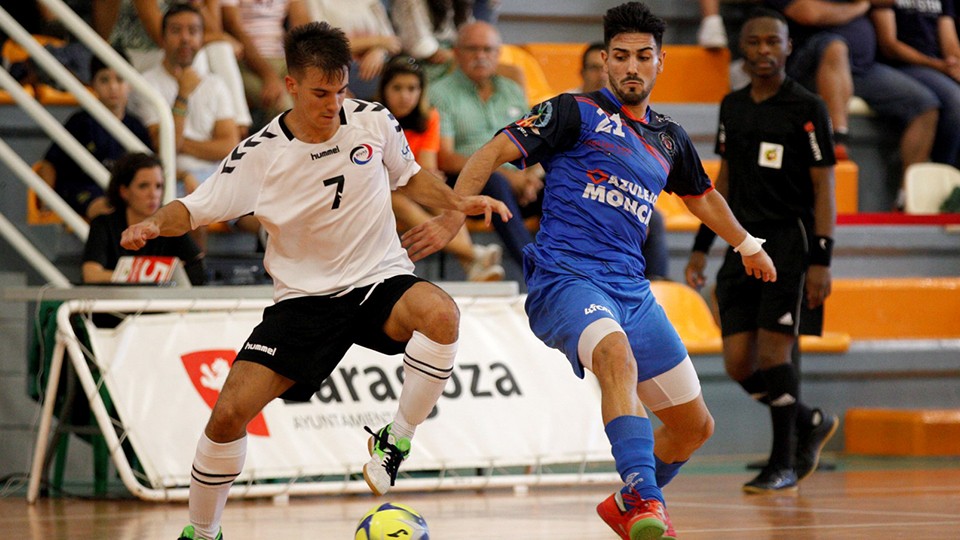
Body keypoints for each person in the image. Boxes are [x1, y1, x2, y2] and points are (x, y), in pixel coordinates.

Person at [118, 21, 510, 540]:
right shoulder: (260, 153)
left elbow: (411, 177)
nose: (333, 103)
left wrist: (456, 204)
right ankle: (202, 531)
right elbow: (191, 209)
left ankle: (396, 438)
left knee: (442, 315)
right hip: (304, 300)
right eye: (321, 93)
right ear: (293, 85)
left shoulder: (372, 121)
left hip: (377, 279)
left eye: (342, 90)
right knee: (228, 414)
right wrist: (152, 225)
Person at [405, 3, 777, 538]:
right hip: (566, 278)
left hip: (631, 289)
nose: (632, 66)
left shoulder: (668, 139)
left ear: (659, 62)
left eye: (643, 57)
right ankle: (645, 497)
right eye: (621, 56)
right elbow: (491, 152)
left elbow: (703, 197)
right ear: (604, 61)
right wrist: (450, 213)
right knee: (614, 352)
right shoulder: (572, 112)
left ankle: (627, 500)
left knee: (694, 427)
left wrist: (747, 244)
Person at [684, 8, 839, 495]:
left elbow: (825, 187)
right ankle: (807, 420)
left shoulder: (807, 107)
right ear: (742, 50)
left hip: (789, 245)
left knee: (775, 353)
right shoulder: (732, 106)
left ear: (789, 47)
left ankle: (784, 461)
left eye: (774, 42)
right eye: (755, 43)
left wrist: (821, 259)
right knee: (736, 362)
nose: (765, 51)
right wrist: (701, 247)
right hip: (742, 245)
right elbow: (722, 180)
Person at [766, 0, 939, 205]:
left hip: (863, 68)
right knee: (835, 47)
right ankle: (838, 138)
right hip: (811, 64)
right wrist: (861, 6)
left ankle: (906, 198)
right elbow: (809, 13)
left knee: (925, 105)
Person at [380, 56, 506, 281]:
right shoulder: (374, 117)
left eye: (412, 88)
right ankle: (473, 254)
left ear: (421, 91)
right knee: (398, 199)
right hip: (383, 191)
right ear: (384, 90)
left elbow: (427, 168)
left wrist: (423, 179)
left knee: (445, 196)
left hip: (412, 184)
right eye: (397, 88)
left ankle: (474, 264)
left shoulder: (430, 117)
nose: (405, 96)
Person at [429, 21, 540, 266]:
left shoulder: (511, 90)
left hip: (520, 183)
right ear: (457, 53)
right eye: (472, 49)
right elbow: (444, 158)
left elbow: (534, 141)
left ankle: (586, 270)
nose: (481, 56)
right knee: (495, 182)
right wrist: (506, 174)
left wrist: (531, 176)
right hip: (469, 184)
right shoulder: (440, 93)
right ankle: (536, 269)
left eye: (488, 50)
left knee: (563, 180)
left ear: (498, 54)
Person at [129, 3, 240, 186]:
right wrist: (183, 94)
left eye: (193, 31)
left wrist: (181, 144)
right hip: (172, 178)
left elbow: (228, 145)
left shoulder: (215, 84)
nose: (185, 38)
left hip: (217, 177)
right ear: (162, 38)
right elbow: (166, 147)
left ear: (202, 38)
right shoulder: (146, 84)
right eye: (176, 31)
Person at [36, 54, 151, 222]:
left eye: (119, 79)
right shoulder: (80, 122)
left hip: (125, 194)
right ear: (93, 85)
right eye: (104, 80)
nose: (113, 87)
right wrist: (46, 203)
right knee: (109, 211)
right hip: (82, 190)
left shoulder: (137, 128)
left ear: (130, 84)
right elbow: (49, 164)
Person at [82, 152, 205, 284]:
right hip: (116, 301)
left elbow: (198, 270)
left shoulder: (169, 222)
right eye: (143, 186)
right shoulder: (103, 224)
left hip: (160, 302)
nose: (153, 194)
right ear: (124, 191)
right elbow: (91, 274)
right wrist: (152, 275)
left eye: (158, 186)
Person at [871, 0, 960, 167]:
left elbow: (950, 40)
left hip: (938, 68)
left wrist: (955, 65)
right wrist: (937, 66)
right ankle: (942, 174)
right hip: (901, 65)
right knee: (955, 100)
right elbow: (889, 45)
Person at [221, 0, 312, 120]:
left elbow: (303, 27)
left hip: (284, 59)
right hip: (247, 63)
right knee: (284, 108)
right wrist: (269, 75)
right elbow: (233, 26)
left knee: (318, 96)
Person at [306, 0, 402, 100]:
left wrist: (378, 51)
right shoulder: (316, 2)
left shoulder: (372, 2)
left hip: (377, 85)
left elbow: (394, 42)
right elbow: (322, 44)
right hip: (335, 81)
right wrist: (377, 41)